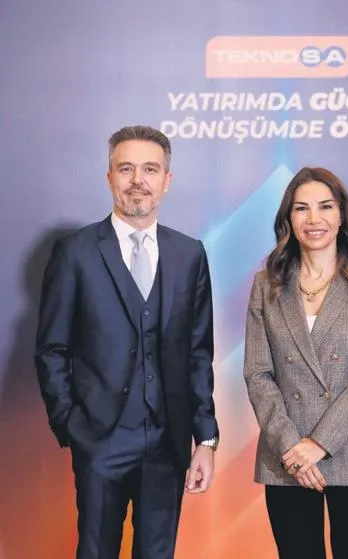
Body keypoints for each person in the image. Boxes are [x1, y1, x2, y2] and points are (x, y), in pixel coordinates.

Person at [35, 125, 219, 559]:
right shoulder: (75, 252)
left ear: (167, 180)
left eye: (150, 169)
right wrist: (71, 424)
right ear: (109, 178)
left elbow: (198, 353)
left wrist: (206, 439)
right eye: (126, 169)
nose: (138, 180)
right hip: (99, 440)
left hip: (168, 443)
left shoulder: (189, 254)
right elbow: (52, 349)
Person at [243, 167, 348, 559]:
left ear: (342, 215)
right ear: (289, 219)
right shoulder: (267, 284)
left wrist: (319, 443)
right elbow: (258, 374)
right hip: (286, 454)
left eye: (325, 207)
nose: (314, 219)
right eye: (302, 208)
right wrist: (292, 447)